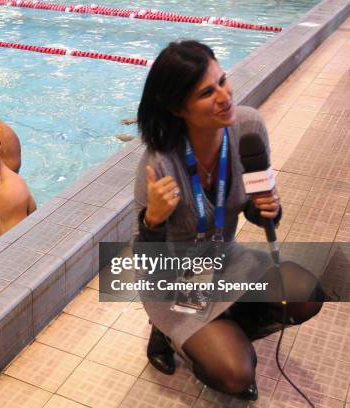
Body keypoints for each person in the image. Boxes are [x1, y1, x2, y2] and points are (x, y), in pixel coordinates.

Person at [133, 40, 323, 400]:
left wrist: (266, 209)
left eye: (223, 80)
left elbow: (255, 203)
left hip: (225, 258)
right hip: (177, 280)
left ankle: (223, 326)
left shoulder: (248, 127)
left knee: (305, 294)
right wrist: (152, 220)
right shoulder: (160, 163)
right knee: (235, 375)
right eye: (207, 92)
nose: (224, 96)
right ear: (178, 108)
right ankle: (169, 333)